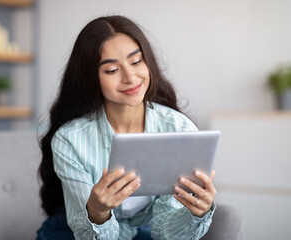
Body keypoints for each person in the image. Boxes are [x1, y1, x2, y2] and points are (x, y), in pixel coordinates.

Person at [37, 15, 216, 240]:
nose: (130, 77)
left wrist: (196, 213)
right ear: (91, 78)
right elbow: (85, 234)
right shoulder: (70, 140)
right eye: (112, 70)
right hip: (76, 231)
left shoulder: (179, 129)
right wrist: (98, 211)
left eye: (136, 61)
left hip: (145, 228)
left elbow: (166, 232)